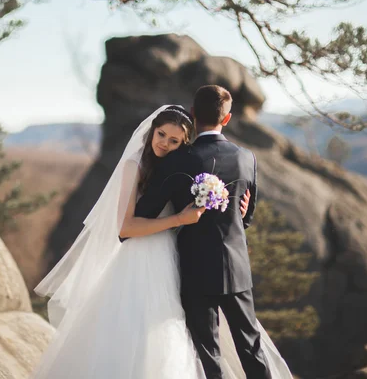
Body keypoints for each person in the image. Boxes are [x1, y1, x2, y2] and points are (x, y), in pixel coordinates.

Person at [31, 101, 290, 378]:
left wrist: (238, 211)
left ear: (184, 142)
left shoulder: (182, 165)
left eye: (174, 140)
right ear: (152, 131)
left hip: (173, 257)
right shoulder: (136, 166)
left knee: (180, 335)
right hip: (141, 256)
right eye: (161, 135)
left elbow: (212, 196)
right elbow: (125, 228)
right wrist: (179, 220)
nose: (165, 143)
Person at [135, 85, 291, 379]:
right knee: (251, 348)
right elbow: (246, 217)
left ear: (193, 115)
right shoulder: (247, 158)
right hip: (236, 267)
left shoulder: (178, 160)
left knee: (208, 354)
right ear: (227, 119)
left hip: (196, 271)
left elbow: (145, 214)